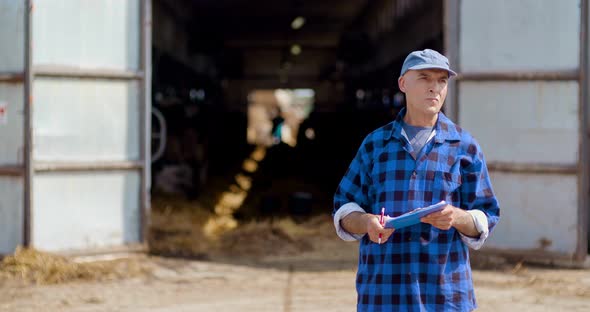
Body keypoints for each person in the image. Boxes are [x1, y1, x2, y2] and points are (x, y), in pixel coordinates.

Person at [332, 49, 500, 311]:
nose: (434, 88)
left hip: (445, 295)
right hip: (384, 292)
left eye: (441, 81)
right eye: (424, 78)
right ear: (403, 84)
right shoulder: (375, 145)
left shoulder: (463, 146)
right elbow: (344, 208)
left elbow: (486, 215)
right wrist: (366, 221)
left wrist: (456, 217)